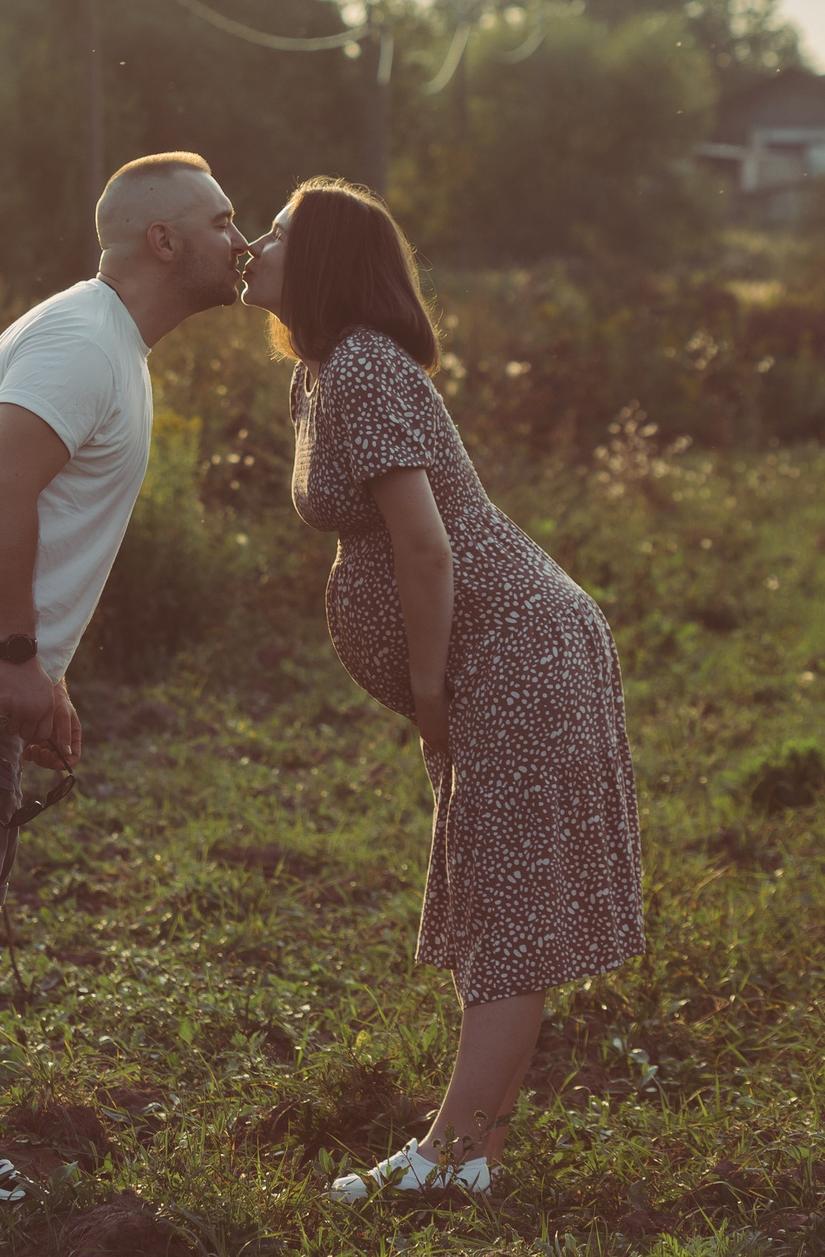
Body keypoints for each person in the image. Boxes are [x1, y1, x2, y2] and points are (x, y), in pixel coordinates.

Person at [0, 153, 248, 1210]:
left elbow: (25, 504)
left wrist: (40, 674)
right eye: (220, 220)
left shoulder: (104, 340)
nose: (237, 239)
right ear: (162, 240)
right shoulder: (82, 338)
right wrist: (15, 658)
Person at [238, 177, 646, 1201]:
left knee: (506, 901)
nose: (254, 240)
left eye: (278, 231)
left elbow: (424, 549)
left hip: (511, 654)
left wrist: (428, 687)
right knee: (496, 893)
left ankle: (444, 1151)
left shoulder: (365, 365)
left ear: (323, 258)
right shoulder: (325, 371)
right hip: (502, 654)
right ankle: (474, 1159)